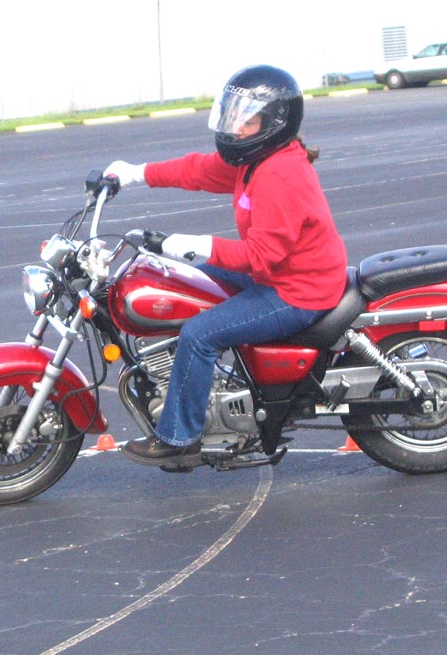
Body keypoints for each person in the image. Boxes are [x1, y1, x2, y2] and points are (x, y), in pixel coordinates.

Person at [105, 64, 349, 466]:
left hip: (297, 291)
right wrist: (136, 174)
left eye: (247, 120)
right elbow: (198, 170)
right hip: (279, 276)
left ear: (275, 123)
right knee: (185, 277)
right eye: (234, 116)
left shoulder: (279, 174)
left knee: (200, 334)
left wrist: (196, 245)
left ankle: (180, 437)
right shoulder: (255, 161)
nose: (236, 127)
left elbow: (261, 255)